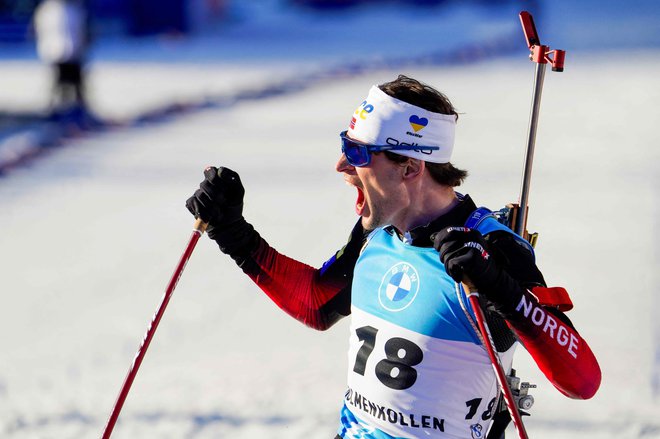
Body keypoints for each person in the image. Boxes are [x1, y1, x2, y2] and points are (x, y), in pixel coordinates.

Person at [186, 75, 601, 439]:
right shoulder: (377, 232)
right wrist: (233, 233)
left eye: (361, 153)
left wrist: (501, 287)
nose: (342, 164)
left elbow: (581, 380)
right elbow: (316, 303)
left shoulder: (491, 247)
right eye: (345, 145)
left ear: (410, 168)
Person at [34, 0, 89, 115]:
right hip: (61, 51)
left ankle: (72, 108)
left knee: (72, 83)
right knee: (63, 83)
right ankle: (60, 108)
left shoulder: (50, 9)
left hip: (67, 51)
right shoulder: (52, 9)